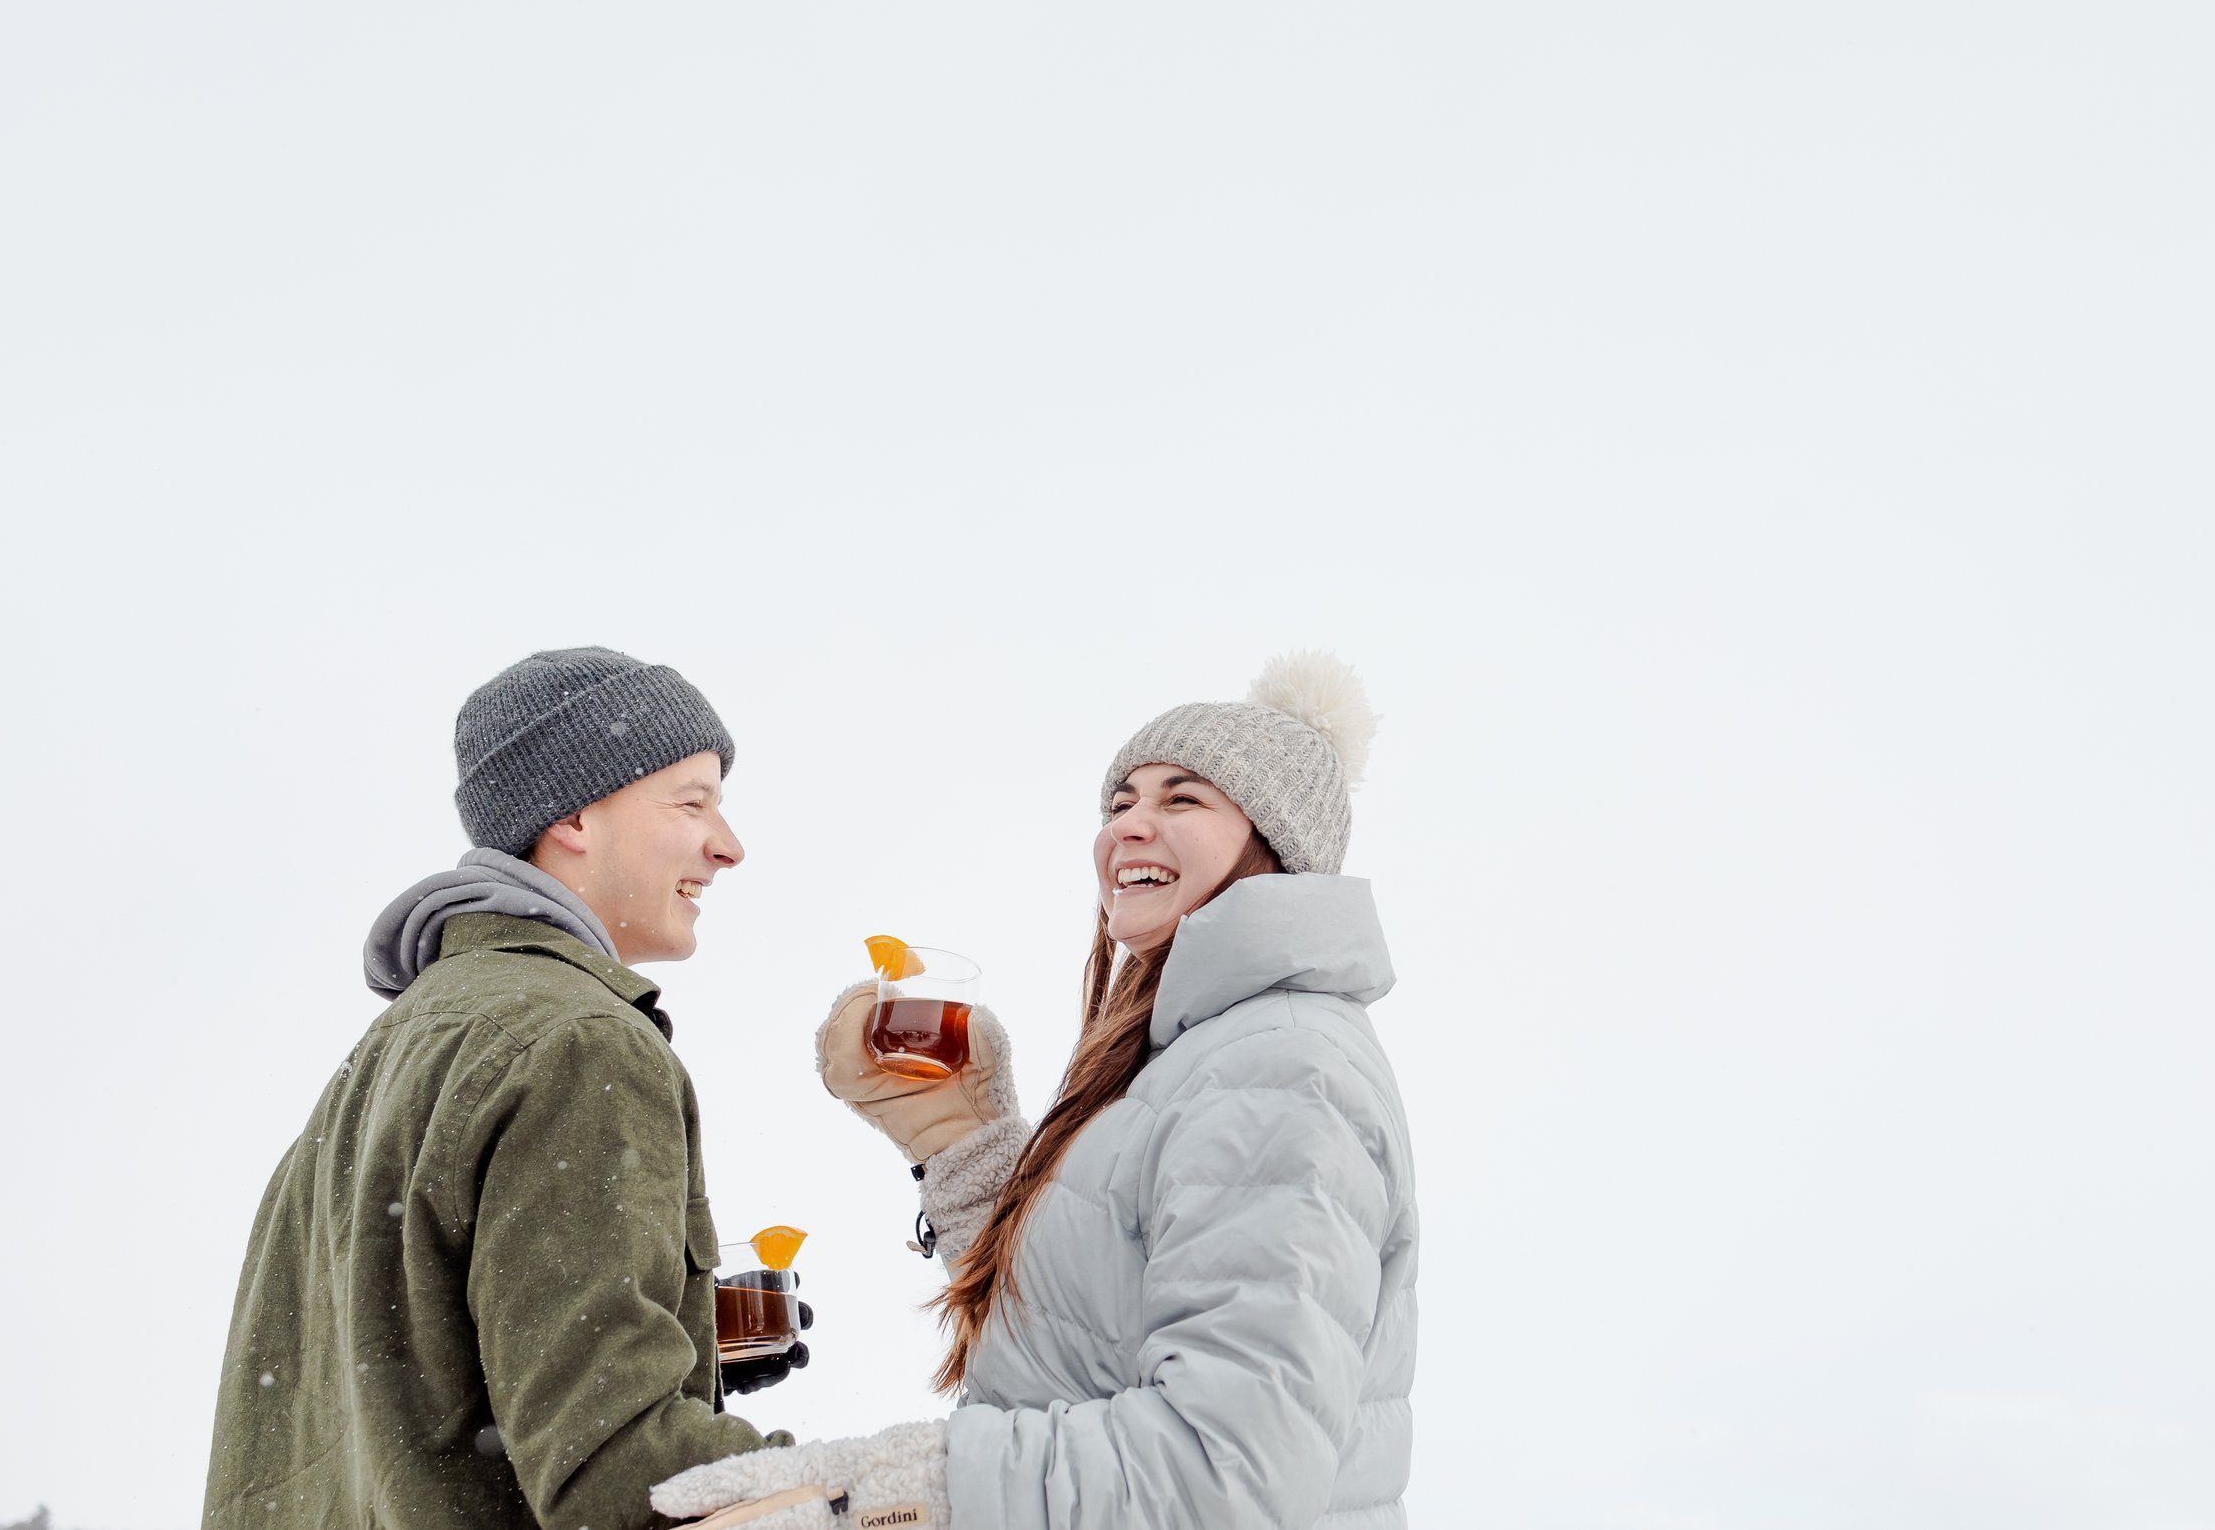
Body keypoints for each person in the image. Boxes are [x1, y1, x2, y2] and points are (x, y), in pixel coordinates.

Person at [653, 651, 1416, 1530]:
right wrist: (966, 1149)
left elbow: (1227, 1469)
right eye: (1120, 802)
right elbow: (1081, 1350)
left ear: (1276, 843)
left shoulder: (1280, 1069)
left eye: (1182, 799)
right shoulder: (1196, 1056)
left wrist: (896, 1489)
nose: (1129, 826)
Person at [203, 647, 802, 1530]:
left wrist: (674, 1337)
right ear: (572, 814)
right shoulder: (582, 1043)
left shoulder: (379, 1064)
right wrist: (868, 1488)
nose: (729, 845)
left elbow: (399, 1383)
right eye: (692, 801)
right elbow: (617, 1467)